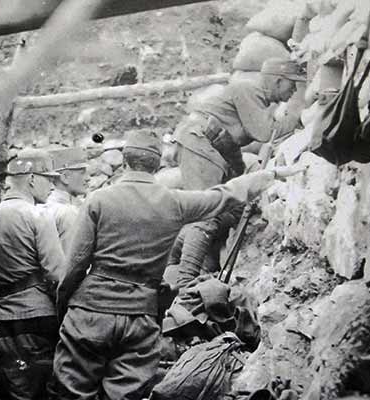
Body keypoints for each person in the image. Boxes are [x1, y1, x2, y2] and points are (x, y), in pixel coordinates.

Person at [50, 130, 305, 400]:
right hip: (141, 315)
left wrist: (65, 306)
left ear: (124, 163)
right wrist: (271, 175)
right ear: (158, 165)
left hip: (90, 310)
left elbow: (75, 265)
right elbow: (225, 195)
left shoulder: (98, 200)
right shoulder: (175, 202)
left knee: (72, 392)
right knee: (125, 395)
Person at [0, 148, 65, 400]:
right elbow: (56, 272)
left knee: (12, 384)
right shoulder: (38, 214)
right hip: (38, 317)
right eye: (48, 179)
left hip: (3, 317)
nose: (52, 186)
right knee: (39, 389)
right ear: (32, 179)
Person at [173, 57, 307, 190]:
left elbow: (231, 140)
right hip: (199, 141)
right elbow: (265, 133)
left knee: (222, 202)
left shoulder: (257, 99)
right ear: (278, 81)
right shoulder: (248, 89)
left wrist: (239, 172)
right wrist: (297, 118)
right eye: (292, 83)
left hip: (208, 143)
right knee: (205, 202)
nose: (294, 90)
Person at [42, 147, 90, 252]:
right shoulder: (65, 212)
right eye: (82, 173)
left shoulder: (75, 204)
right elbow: (71, 257)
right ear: (64, 177)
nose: (88, 178)